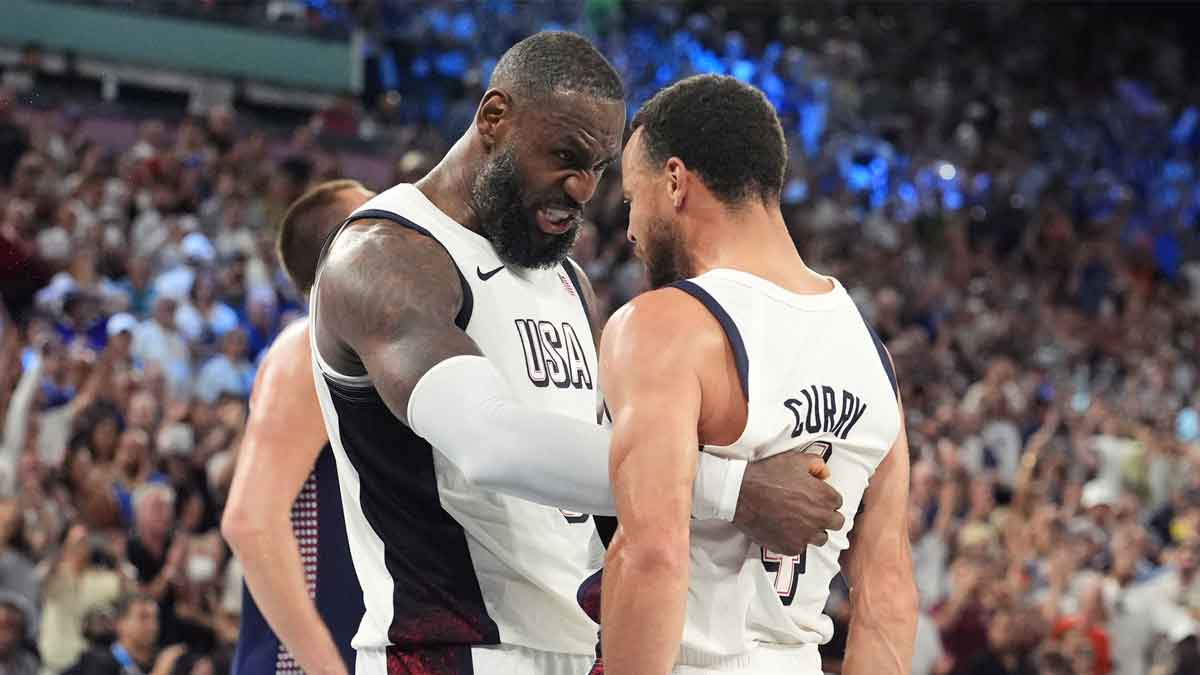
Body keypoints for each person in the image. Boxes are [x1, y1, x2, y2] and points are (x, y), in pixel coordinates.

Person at [310, 32, 843, 673]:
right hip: (450, 650)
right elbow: (491, 442)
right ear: (494, 118)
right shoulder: (384, 255)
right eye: (565, 156)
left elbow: (603, 478)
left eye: (600, 168)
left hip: (580, 644)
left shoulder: (565, 279)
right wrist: (734, 488)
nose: (584, 188)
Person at [596, 75, 918, 674]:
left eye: (630, 198)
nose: (631, 229)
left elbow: (652, 556)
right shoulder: (872, 354)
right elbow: (887, 591)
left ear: (674, 182)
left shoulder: (664, 324)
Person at [222, 179, 375, 675]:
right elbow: (249, 523)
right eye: (378, 219)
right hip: (300, 663)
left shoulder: (366, 352)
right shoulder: (309, 345)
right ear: (343, 248)